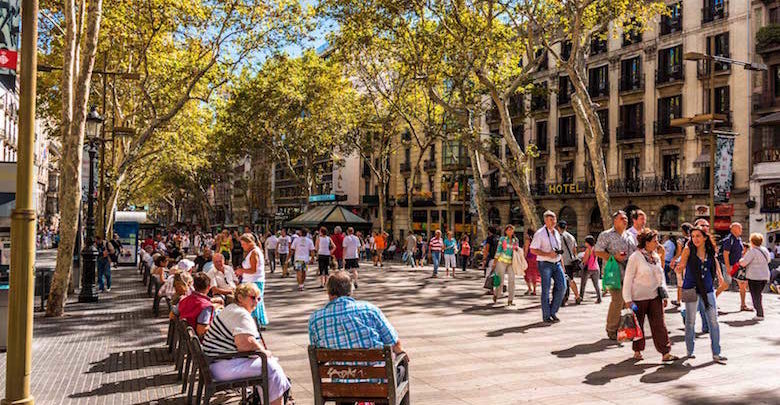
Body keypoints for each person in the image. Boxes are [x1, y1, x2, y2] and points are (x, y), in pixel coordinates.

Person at [308, 271, 407, 388]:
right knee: (401, 367)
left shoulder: (315, 319)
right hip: (377, 383)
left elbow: (318, 350)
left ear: (328, 292)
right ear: (350, 290)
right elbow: (393, 342)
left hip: (341, 386)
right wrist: (402, 354)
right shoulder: (369, 310)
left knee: (346, 381)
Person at [201, 284, 291, 405]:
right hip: (223, 366)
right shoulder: (241, 314)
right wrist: (264, 351)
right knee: (272, 368)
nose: (256, 302)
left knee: (271, 365)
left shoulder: (231, 308)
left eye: (258, 299)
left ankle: (274, 400)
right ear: (240, 298)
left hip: (216, 363)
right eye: (252, 297)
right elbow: (244, 344)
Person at [622, 229, 677, 362]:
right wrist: (627, 299)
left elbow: (661, 277)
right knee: (638, 325)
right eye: (654, 240)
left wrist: (664, 295)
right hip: (638, 298)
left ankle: (665, 352)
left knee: (659, 325)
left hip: (654, 297)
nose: (657, 243)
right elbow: (628, 279)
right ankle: (637, 351)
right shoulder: (635, 257)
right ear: (646, 242)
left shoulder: (656, 256)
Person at [682, 226, 727, 362]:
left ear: (705, 238)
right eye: (693, 236)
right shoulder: (688, 249)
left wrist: (720, 276)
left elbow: (715, 261)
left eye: (698, 236)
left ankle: (716, 353)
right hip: (690, 288)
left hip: (707, 289)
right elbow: (681, 265)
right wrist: (678, 266)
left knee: (713, 321)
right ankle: (690, 351)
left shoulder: (709, 250)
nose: (695, 239)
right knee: (690, 322)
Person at [595, 210, 638, 340]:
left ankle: (624, 327)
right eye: (621, 218)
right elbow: (598, 251)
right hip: (613, 272)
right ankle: (611, 329)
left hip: (628, 272)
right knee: (618, 300)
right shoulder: (606, 235)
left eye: (626, 218)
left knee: (627, 301)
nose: (625, 220)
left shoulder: (630, 235)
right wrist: (614, 257)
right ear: (615, 221)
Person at [531, 212, 567, 322]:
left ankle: (553, 311)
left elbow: (558, 251)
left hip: (557, 263)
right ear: (545, 220)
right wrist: (547, 254)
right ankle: (546, 315)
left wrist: (562, 265)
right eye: (551, 219)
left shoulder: (556, 233)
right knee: (545, 290)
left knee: (562, 287)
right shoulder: (540, 233)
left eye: (554, 219)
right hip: (545, 264)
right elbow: (533, 249)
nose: (554, 221)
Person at [235, 233, 268, 326]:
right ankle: (257, 321)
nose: (242, 246)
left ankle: (256, 322)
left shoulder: (254, 252)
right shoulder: (252, 251)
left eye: (243, 244)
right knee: (254, 301)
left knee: (253, 302)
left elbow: (254, 269)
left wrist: (242, 271)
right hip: (251, 280)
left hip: (254, 280)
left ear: (249, 243)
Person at [738, 233, 772, 321]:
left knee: (755, 295)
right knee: (758, 294)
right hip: (764, 275)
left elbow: (744, 262)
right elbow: (768, 260)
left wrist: (740, 260)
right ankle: (759, 312)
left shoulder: (752, 251)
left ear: (752, 241)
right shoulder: (764, 250)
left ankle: (760, 313)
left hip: (754, 276)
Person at [717, 223, 748, 311]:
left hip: (737, 265)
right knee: (726, 285)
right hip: (729, 265)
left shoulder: (739, 239)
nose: (741, 229)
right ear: (734, 229)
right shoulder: (729, 239)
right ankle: (712, 301)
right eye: (740, 228)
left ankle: (743, 305)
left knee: (742, 284)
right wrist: (727, 267)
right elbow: (725, 254)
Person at [177, 272, 214, 337]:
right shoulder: (206, 307)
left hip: (186, 337)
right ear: (208, 287)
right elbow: (201, 331)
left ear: (194, 286)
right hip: (201, 341)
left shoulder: (183, 300)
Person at [492, 225, 521, 306]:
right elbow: (498, 250)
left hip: (511, 262)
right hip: (501, 261)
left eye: (511, 230)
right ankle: (496, 294)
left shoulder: (516, 240)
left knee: (512, 280)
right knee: (500, 280)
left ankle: (510, 300)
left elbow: (517, 251)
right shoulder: (502, 239)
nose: (510, 231)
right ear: (505, 231)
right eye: (508, 230)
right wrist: (495, 262)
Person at [558, 221, 581, 305]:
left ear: (558, 227)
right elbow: (574, 250)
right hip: (571, 261)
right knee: (570, 279)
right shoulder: (571, 237)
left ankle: (564, 298)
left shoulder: (559, 237)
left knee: (563, 280)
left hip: (563, 261)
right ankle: (577, 296)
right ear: (566, 227)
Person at [580, 235, 601, 303]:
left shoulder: (588, 250)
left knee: (583, 284)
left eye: (585, 242)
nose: (584, 243)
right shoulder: (595, 249)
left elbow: (585, 260)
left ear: (587, 242)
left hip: (587, 269)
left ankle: (581, 297)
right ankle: (599, 298)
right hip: (596, 268)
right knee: (596, 284)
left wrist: (581, 262)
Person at [483, 227, 499, 295]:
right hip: (498, 258)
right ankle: (498, 289)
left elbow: (487, 248)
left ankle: (491, 289)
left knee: (489, 273)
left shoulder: (489, 238)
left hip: (491, 258)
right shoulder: (499, 238)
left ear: (489, 231)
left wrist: (484, 259)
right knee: (497, 274)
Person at [523, 229, 540, 296]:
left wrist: (523, 258)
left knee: (526, 274)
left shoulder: (528, 240)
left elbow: (526, 250)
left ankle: (529, 288)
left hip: (529, 258)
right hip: (535, 258)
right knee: (534, 274)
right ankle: (535, 290)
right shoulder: (536, 240)